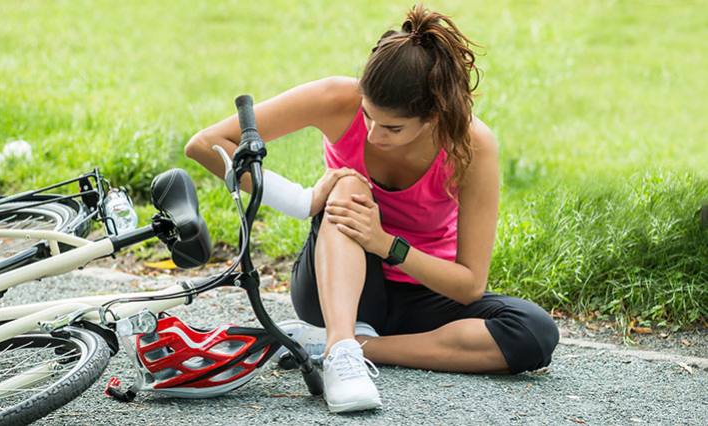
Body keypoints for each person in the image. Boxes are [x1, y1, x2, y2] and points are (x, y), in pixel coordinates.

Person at [185, 3, 559, 414]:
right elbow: (207, 144)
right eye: (367, 116)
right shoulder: (335, 98)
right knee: (348, 185)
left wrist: (385, 243)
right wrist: (304, 200)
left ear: (434, 116)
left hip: (423, 293)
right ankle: (342, 345)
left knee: (534, 333)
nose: (373, 135)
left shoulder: (471, 145)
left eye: (393, 128)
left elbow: (469, 284)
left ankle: (355, 347)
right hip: (339, 287)